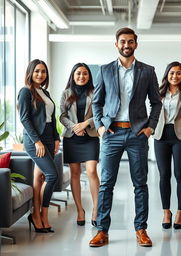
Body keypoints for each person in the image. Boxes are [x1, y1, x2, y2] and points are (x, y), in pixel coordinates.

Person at [89, 27, 162, 247]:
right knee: (106, 184)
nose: (126, 45)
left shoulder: (147, 71)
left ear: (136, 44)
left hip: (137, 133)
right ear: (116, 44)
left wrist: (150, 127)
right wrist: (100, 127)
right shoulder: (105, 70)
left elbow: (156, 103)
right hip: (111, 133)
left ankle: (141, 229)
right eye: (122, 41)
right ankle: (102, 231)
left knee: (140, 184)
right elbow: (96, 102)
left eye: (130, 41)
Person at [18, 59, 60, 233]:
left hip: (49, 138)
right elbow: (25, 118)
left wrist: (57, 138)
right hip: (35, 140)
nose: (40, 74)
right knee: (52, 175)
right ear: (30, 72)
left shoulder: (45, 93)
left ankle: (36, 215)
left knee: (40, 178)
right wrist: (37, 141)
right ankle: (41, 213)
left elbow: (51, 117)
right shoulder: (25, 92)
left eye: (43, 71)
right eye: (36, 71)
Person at [154, 62, 181, 230]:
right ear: (167, 74)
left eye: (178, 73)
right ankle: (166, 212)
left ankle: (180, 212)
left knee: (180, 174)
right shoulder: (158, 92)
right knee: (164, 175)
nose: (175, 76)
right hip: (161, 136)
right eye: (172, 73)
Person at [60, 63, 100, 227]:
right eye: (78, 73)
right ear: (73, 75)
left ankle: (97, 209)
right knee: (75, 174)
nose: (81, 76)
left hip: (90, 136)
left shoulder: (95, 92)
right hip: (71, 137)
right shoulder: (66, 93)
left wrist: (85, 124)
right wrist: (74, 127)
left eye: (84, 73)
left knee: (91, 171)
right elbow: (62, 116)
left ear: (89, 76)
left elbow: (99, 114)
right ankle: (80, 211)